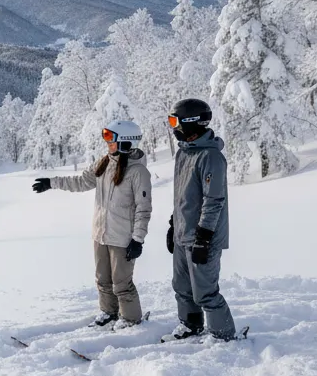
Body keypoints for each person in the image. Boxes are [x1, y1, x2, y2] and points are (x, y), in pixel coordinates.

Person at [32, 120, 152, 326]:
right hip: (101, 234)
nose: (107, 143)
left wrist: (138, 239)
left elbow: (144, 208)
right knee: (103, 280)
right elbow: (81, 181)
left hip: (123, 238)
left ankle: (131, 320)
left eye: (111, 139)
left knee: (121, 283)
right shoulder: (104, 163)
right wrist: (51, 183)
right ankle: (109, 313)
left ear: (125, 142)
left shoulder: (138, 173)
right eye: (106, 137)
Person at [164, 98, 237, 341]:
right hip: (184, 235)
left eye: (175, 121)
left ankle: (223, 335)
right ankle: (191, 325)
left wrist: (203, 238)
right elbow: (184, 197)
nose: (173, 127)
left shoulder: (210, 157)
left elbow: (213, 200)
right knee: (182, 288)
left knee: (205, 292)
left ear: (191, 123)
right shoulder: (184, 154)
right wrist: (174, 225)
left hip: (204, 238)